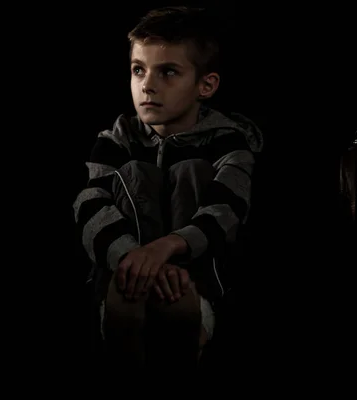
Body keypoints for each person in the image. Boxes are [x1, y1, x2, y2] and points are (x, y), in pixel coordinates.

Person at [73, 6, 263, 370]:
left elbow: (226, 210)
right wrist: (135, 259)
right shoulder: (116, 140)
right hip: (125, 271)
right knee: (127, 303)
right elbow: (90, 205)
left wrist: (164, 250)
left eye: (169, 72)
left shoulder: (229, 144)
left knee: (175, 307)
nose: (147, 85)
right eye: (138, 70)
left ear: (205, 85)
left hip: (199, 283)